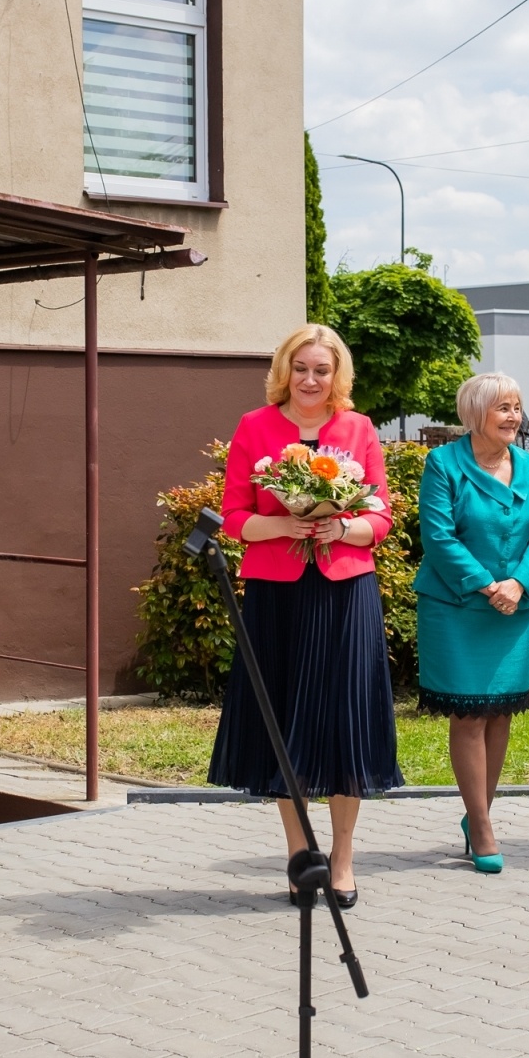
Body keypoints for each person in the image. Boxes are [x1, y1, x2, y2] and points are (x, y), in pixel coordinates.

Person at [207, 324, 403, 908]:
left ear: (337, 374)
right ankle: (301, 857)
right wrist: (283, 525)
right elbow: (235, 515)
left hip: (345, 594)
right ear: (284, 371)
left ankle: (341, 861)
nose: (311, 380)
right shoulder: (255, 427)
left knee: (346, 728)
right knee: (281, 728)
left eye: (322, 369)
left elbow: (383, 518)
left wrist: (344, 526)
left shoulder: (360, 429)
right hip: (277, 595)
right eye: (301, 368)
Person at [412, 373, 529, 874]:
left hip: (514, 607)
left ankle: (478, 818)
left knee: (499, 714)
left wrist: (517, 583)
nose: (514, 416)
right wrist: (487, 585)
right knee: (470, 715)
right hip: (456, 607)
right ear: (476, 414)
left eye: (517, 407)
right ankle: (484, 825)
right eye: (503, 408)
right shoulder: (443, 463)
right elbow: (438, 536)